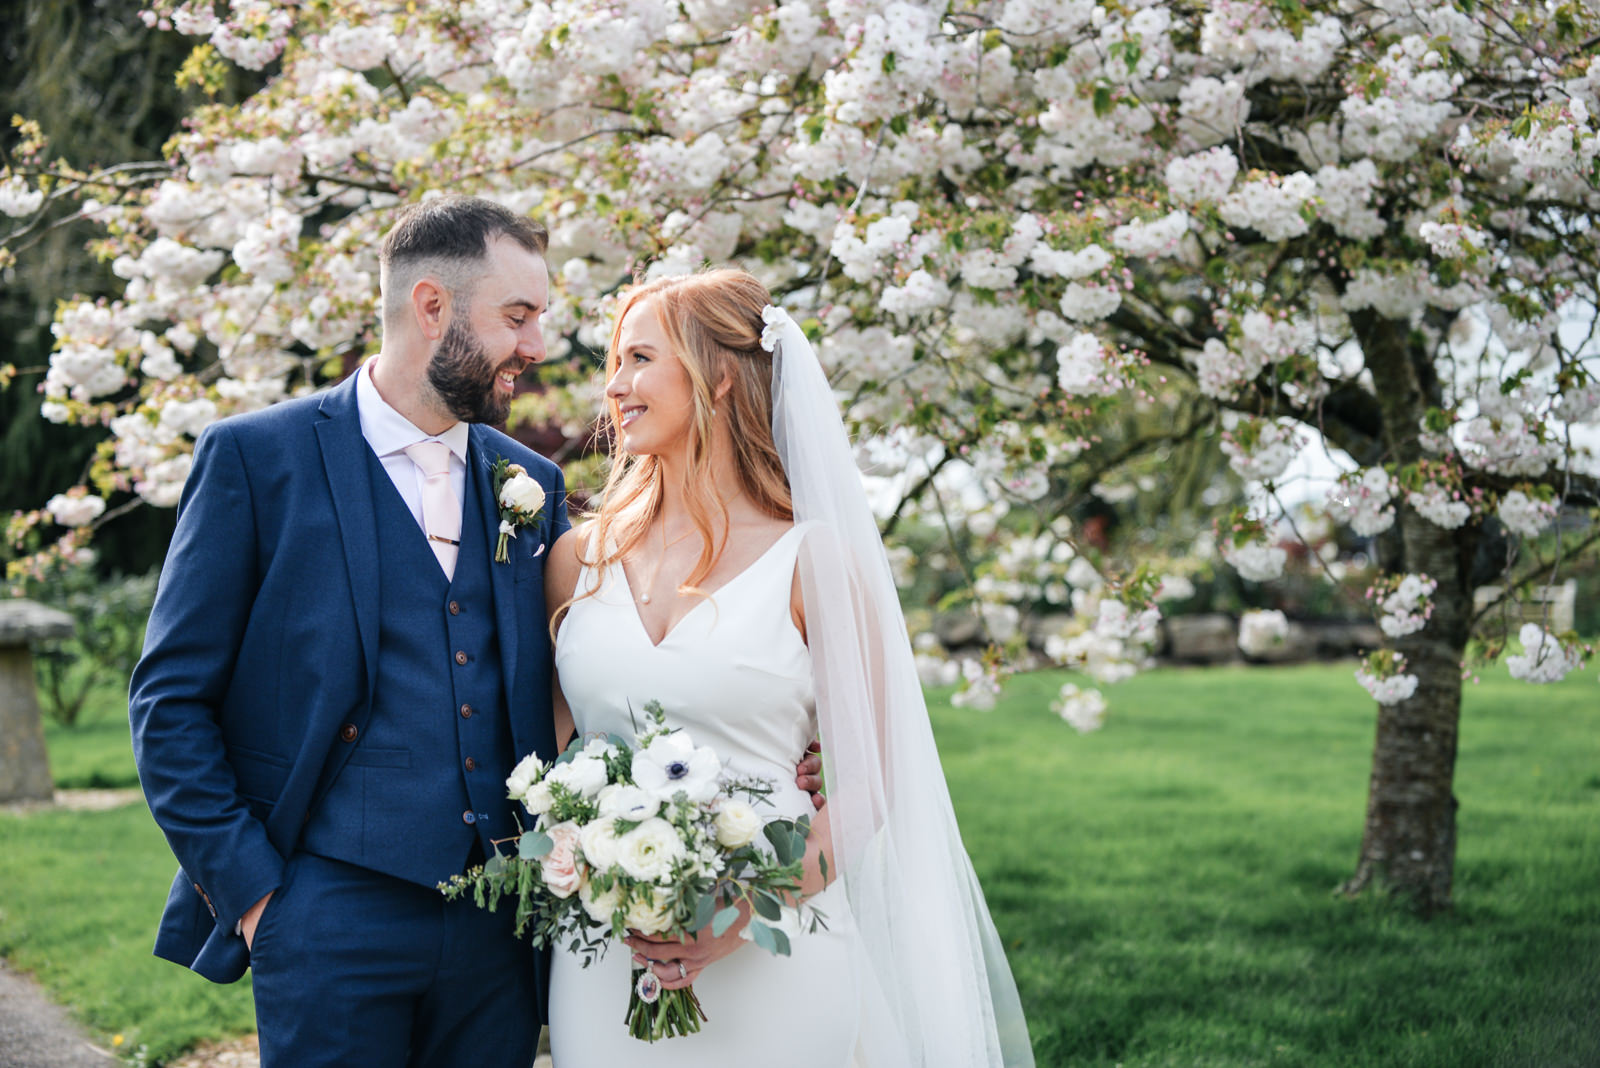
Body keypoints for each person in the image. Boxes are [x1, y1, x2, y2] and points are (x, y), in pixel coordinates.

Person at [544, 268, 1035, 1066]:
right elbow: (540, 750)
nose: (615, 387)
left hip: (775, 943)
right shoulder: (576, 560)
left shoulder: (814, 563)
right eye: (615, 363)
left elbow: (870, 787)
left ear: (720, 377)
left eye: (639, 359)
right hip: (608, 950)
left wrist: (733, 917)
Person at [129, 195, 567, 1068]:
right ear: (431, 305)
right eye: (517, 317)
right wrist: (258, 898)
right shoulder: (258, 460)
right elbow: (168, 703)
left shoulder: (532, 483)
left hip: (499, 931)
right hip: (324, 917)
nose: (537, 348)